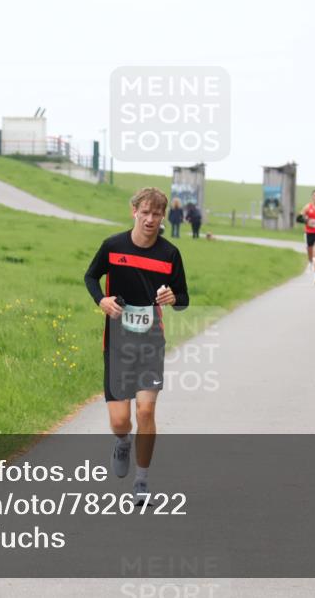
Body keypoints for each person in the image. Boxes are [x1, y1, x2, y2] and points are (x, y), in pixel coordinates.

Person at [84, 188, 189, 505]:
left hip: (151, 342)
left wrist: (174, 299)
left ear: (162, 218)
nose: (150, 219)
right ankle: (122, 441)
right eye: (145, 212)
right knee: (120, 421)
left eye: (156, 214)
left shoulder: (169, 254)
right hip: (117, 343)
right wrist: (101, 299)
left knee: (146, 409)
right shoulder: (113, 246)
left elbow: (183, 298)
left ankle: (141, 481)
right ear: (134, 211)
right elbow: (91, 277)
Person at [296, 189, 315, 285]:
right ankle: (310, 262)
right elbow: (298, 218)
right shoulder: (308, 207)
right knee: (310, 253)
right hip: (309, 233)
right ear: (312, 197)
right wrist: (307, 220)